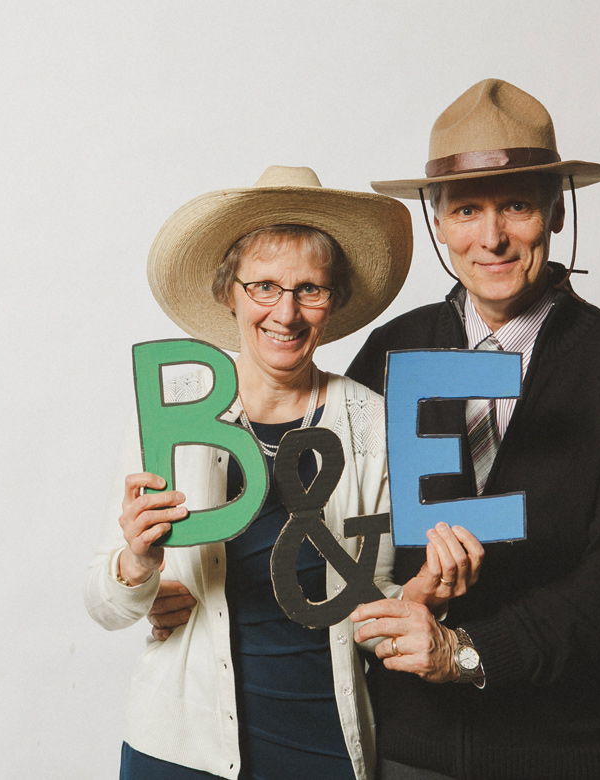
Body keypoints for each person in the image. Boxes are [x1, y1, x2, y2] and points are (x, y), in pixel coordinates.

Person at [84, 165, 483, 780]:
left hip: (321, 741)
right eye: (264, 286)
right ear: (230, 293)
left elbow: (366, 601)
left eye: (309, 290)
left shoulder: (371, 424)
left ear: (334, 301)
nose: (286, 312)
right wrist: (136, 564)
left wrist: (413, 601)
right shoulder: (173, 417)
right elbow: (105, 605)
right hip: (181, 747)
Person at [347, 79, 600, 780]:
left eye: (518, 205)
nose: (491, 236)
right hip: (411, 748)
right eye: (467, 209)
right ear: (437, 221)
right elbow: (335, 532)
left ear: (557, 211)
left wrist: (466, 652)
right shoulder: (391, 351)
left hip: (567, 750)